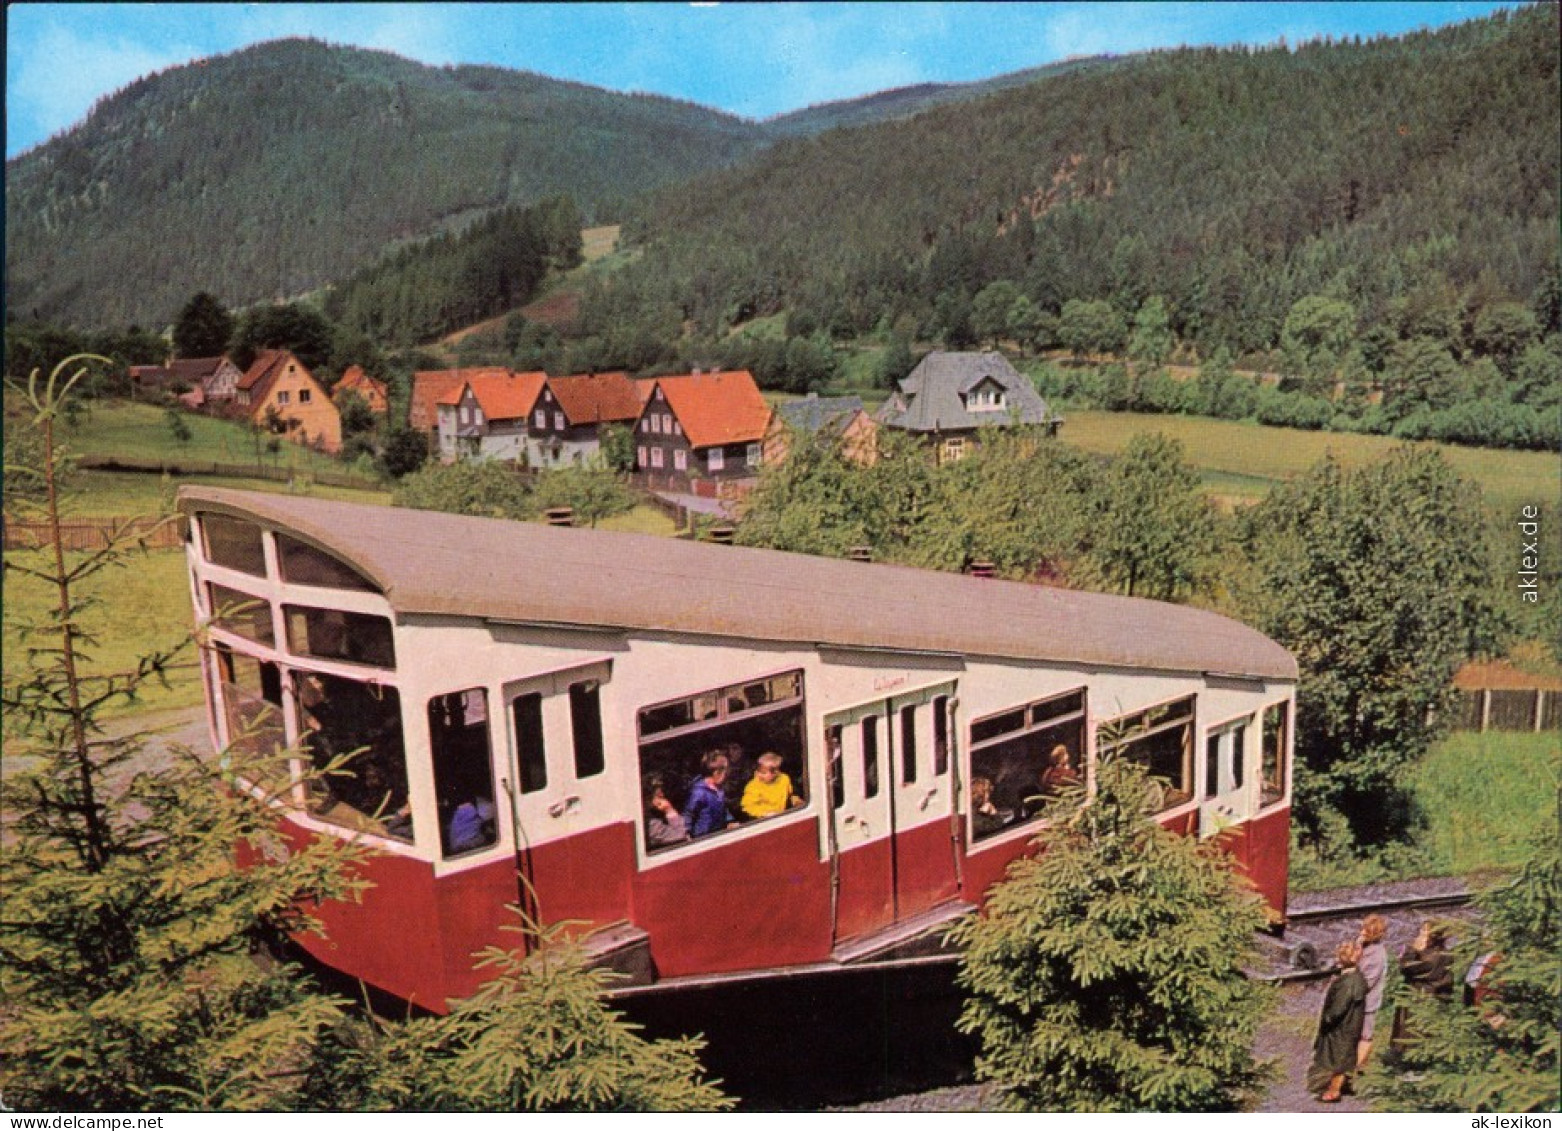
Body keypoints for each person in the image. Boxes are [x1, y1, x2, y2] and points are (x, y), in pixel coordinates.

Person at [1308, 940, 1368, 1103]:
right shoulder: (1354, 978)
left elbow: (1338, 1008)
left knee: (1339, 1060)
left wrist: (1327, 1020)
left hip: (1342, 1029)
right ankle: (1334, 1087)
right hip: (1348, 1027)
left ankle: (1334, 1090)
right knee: (1341, 1058)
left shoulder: (1348, 983)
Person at [1391, 921, 1453, 1050]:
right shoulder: (1447, 953)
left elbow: (1406, 968)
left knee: (1413, 1034)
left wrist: (1413, 951)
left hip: (1421, 997)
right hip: (1435, 997)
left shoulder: (1429, 956)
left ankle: (1409, 1060)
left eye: (1425, 931)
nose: (1420, 935)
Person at [1356, 913, 1389, 1070]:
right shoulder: (1363, 945)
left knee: (1365, 1035)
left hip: (1368, 1002)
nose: (1361, 933)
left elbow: (1367, 982)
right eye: (1362, 929)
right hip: (1357, 1000)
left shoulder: (1377, 955)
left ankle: (1358, 1067)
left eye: (1366, 931)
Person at [683, 750, 736, 838]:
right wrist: (687, 833)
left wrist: (730, 821)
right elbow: (688, 814)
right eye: (725, 773)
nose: (726, 776)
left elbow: (723, 808)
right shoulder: (699, 792)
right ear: (717, 773)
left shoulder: (719, 789)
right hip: (702, 835)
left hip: (718, 832)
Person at [740, 751, 801, 819]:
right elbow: (747, 807)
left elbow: (791, 795)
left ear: (775, 772)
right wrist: (764, 813)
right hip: (764, 819)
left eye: (764, 773)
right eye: (758, 771)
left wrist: (796, 801)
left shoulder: (784, 779)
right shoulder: (752, 786)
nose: (759, 775)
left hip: (782, 815)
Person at [645, 775, 689, 849]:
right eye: (659, 796)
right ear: (647, 800)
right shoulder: (652, 824)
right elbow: (681, 836)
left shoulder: (655, 816)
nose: (663, 795)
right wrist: (670, 810)